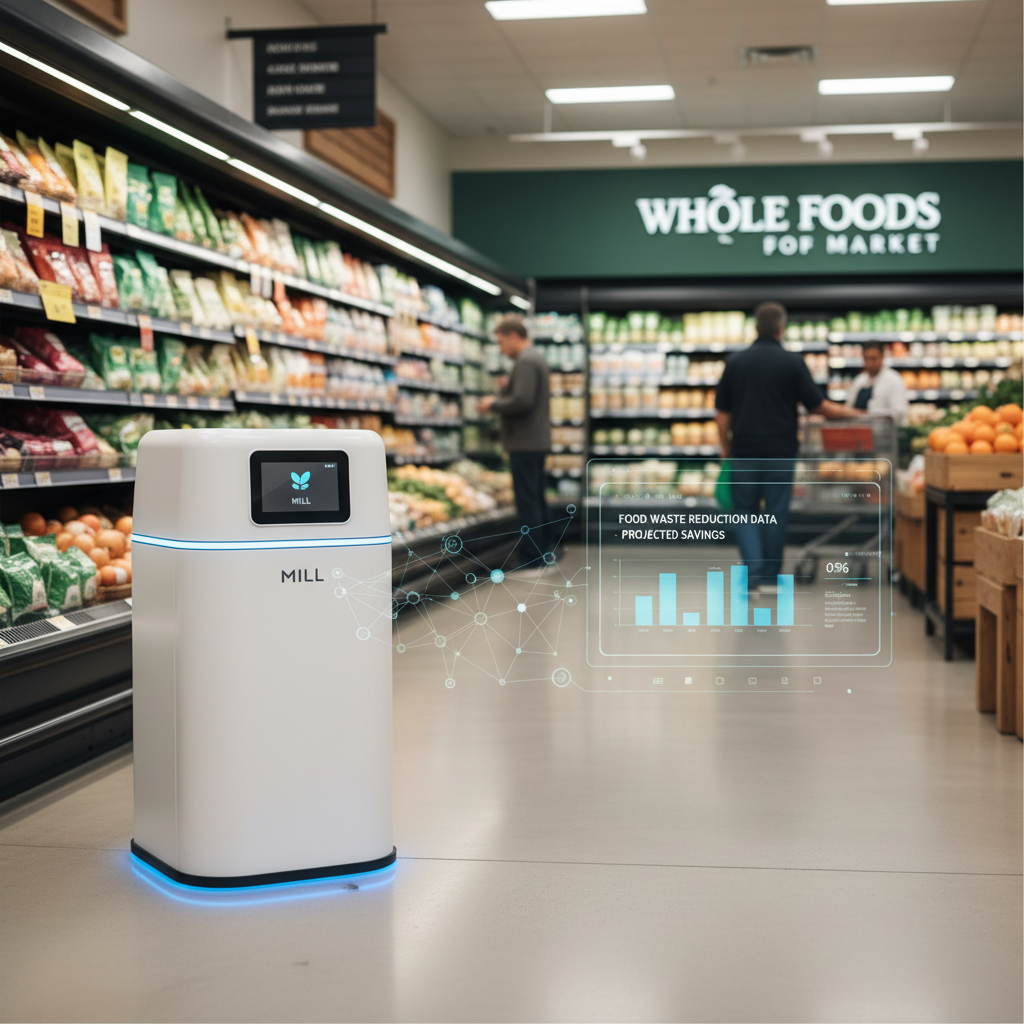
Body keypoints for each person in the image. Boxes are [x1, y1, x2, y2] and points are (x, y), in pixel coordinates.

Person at [715, 302, 864, 591]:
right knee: (775, 511)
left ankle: (753, 571)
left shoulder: (735, 362)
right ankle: (770, 576)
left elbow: (722, 414)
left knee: (742, 510)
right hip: (780, 452)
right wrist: (855, 414)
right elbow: (820, 407)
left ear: (756, 327)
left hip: (744, 452)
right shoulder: (792, 362)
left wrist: (725, 447)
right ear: (781, 329)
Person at [478, 316, 552, 567]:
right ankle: (543, 550)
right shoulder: (534, 358)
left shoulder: (526, 360)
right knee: (536, 498)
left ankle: (532, 557)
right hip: (534, 442)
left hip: (526, 443)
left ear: (512, 336)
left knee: (528, 501)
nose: (500, 348)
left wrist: (493, 404)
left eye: (501, 342)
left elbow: (523, 401)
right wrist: (507, 388)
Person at [844, 340, 909, 422]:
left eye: (873, 359)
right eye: (866, 359)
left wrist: (868, 415)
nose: (869, 363)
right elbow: (849, 408)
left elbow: (899, 412)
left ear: (882, 357)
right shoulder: (859, 380)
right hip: (860, 431)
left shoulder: (894, 380)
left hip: (886, 433)